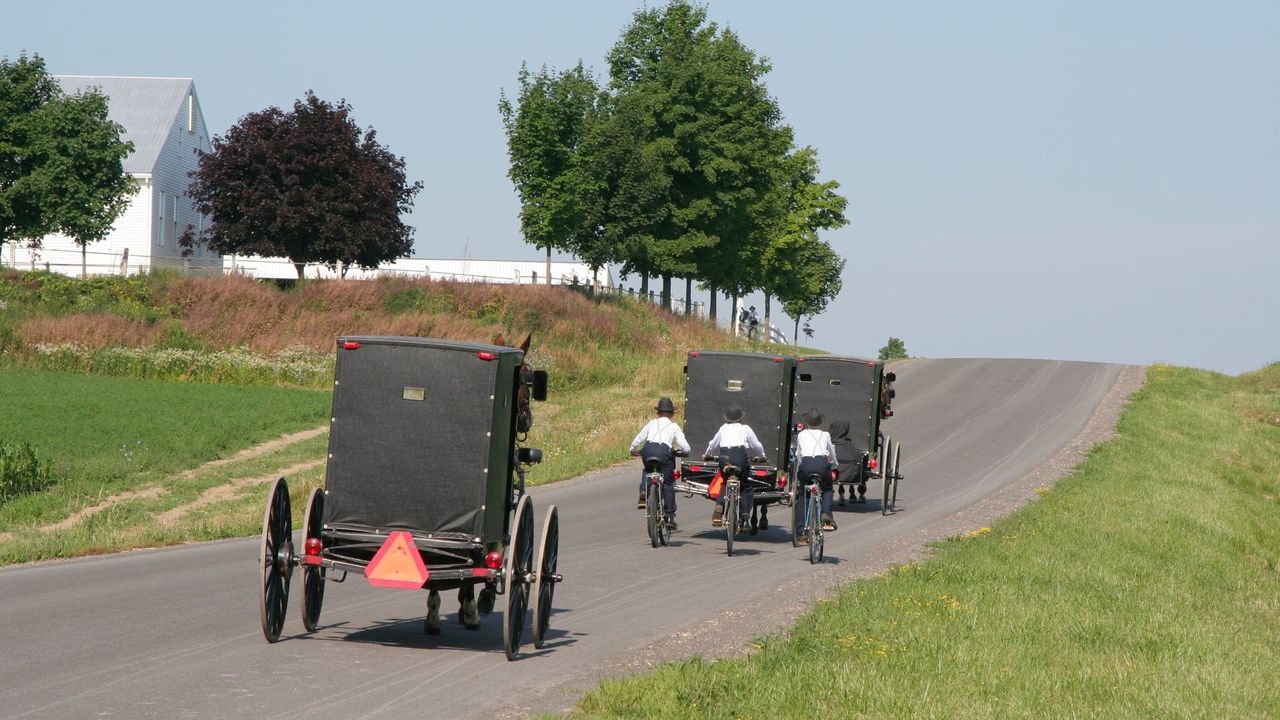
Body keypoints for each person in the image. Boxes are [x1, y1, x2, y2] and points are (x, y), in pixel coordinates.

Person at [628, 397, 691, 530]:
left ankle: (644, 491)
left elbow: (640, 437)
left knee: (647, 471)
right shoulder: (674, 426)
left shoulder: (652, 423)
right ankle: (669, 516)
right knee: (668, 483)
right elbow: (685, 447)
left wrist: (632, 450)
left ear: (658, 412)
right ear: (672, 414)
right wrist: (684, 452)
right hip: (664, 452)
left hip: (648, 449)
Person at [704, 404, 767, 532]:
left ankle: (719, 506)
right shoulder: (746, 429)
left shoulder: (723, 428)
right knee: (745, 486)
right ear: (740, 418)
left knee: (724, 482)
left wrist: (707, 455)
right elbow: (757, 446)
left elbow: (713, 444)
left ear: (727, 418)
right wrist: (762, 456)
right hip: (739, 457)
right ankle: (745, 516)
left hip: (725, 457)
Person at [794, 409, 838, 531]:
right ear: (820, 422)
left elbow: (799, 453)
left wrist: (801, 464)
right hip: (822, 464)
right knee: (828, 490)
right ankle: (826, 514)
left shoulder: (801, 434)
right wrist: (834, 464)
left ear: (807, 422)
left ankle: (801, 528)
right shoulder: (825, 435)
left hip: (807, 464)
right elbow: (832, 451)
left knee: (803, 495)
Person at [829, 420, 866, 504]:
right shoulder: (849, 445)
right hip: (849, 472)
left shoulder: (828, 442)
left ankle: (841, 494)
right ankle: (856, 493)